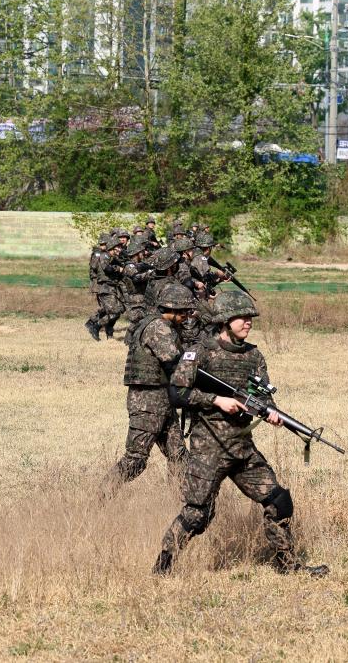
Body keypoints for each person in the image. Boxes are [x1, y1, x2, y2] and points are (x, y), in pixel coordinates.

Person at [153, 291, 329, 578]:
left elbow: (263, 397)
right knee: (198, 514)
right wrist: (215, 401)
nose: (248, 323)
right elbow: (176, 392)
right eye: (242, 318)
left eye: (250, 318)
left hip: (242, 449)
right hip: (209, 448)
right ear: (225, 320)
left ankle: (288, 567)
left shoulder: (253, 356)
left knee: (279, 501)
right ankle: (163, 567)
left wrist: (270, 413)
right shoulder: (200, 352)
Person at [101, 283, 194, 496]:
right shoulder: (158, 328)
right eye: (185, 312)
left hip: (161, 400)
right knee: (136, 459)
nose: (188, 317)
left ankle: (180, 502)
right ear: (174, 309)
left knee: (179, 456)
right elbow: (175, 361)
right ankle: (101, 498)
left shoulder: (161, 325)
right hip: (147, 403)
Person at [85, 235, 126, 340]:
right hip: (106, 288)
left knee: (120, 309)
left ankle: (105, 329)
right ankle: (96, 325)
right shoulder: (105, 256)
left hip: (112, 287)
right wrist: (118, 269)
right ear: (113, 247)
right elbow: (106, 268)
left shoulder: (112, 257)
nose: (120, 249)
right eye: (118, 247)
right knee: (114, 312)